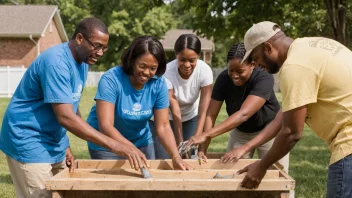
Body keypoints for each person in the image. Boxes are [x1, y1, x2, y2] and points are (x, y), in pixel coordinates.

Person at [0, 17, 147, 198]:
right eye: (97, 46)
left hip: (53, 140)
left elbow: (70, 106)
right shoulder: (57, 62)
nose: (100, 53)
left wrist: (65, 144)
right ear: (79, 38)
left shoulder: (82, 62)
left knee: (64, 192)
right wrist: (116, 146)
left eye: (104, 48)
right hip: (27, 137)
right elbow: (66, 117)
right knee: (41, 195)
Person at [236, 21, 352, 197]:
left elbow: (291, 132)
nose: (256, 65)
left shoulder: (294, 67)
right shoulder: (310, 46)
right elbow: (284, 116)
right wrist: (248, 147)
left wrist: (261, 166)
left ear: (268, 47)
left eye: (255, 58)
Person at [87, 36, 191, 170]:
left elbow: (163, 126)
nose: (147, 73)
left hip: (140, 140)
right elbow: (106, 126)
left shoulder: (158, 84)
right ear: (131, 61)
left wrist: (175, 156)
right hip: (107, 143)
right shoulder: (111, 79)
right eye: (142, 66)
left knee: (147, 184)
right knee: (115, 188)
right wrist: (130, 149)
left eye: (153, 68)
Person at [185, 43, 289, 173]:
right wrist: (202, 150)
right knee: (232, 172)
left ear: (252, 65)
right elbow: (211, 114)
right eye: (231, 70)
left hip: (269, 131)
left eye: (240, 71)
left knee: (277, 175)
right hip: (240, 133)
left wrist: (206, 135)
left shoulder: (264, 77)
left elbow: (244, 114)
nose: (234, 75)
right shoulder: (223, 79)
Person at [149, 34, 213, 159]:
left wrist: (198, 134)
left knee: (191, 156)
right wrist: (180, 141)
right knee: (165, 158)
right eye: (182, 59)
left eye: (192, 60)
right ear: (176, 55)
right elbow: (174, 107)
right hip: (165, 117)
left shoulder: (205, 70)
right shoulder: (167, 72)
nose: (187, 65)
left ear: (198, 57)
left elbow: (204, 107)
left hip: (191, 116)